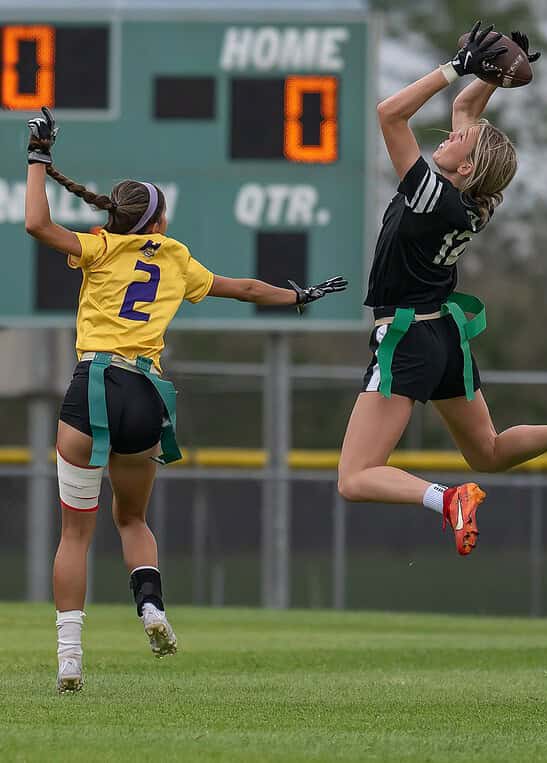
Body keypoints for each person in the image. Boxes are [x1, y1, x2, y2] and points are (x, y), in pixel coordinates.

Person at [24, 107, 347, 693]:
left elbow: (36, 226)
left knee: (75, 534)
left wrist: (37, 161)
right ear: (157, 219)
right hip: (145, 392)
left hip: (92, 385)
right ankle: (150, 606)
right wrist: (297, 294)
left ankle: (70, 658)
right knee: (133, 518)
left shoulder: (98, 247)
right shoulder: (173, 257)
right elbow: (244, 288)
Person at [337, 23, 547, 558]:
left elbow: (390, 113)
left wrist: (454, 68)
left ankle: (446, 499)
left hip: (407, 338)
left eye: (462, 140)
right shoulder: (466, 200)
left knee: (356, 476)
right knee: (488, 451)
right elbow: (464, 112)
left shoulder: (433, 197)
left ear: (471, 166)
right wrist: (495, 73)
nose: (452, 134)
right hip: (444, 337)